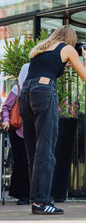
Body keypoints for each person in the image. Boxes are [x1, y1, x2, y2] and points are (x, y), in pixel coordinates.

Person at [19, 26, 86, 215]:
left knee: (34, 152)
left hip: (26, 93)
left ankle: (37, 200)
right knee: (46, 150)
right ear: (71, 40)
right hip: (44, 92)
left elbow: (52, 65)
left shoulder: (40, 49)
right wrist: (85, 58)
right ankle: (42, 202)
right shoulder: (67, 49)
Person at [1, 63, 30, 205]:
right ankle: (22, 195)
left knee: (32, 163)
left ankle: (30, 194)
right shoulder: (16, 89)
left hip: (33, 132)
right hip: (18, 131)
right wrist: (5, 121)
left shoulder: (37, 90)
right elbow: (5, 108)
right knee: (22, 162)